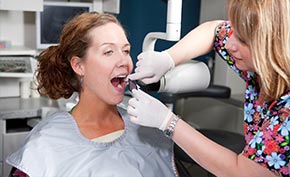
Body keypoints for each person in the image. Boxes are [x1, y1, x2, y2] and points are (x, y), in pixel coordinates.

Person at [127, 0, 290, 176]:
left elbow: (244, 172)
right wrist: (168, 58)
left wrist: (168, 122)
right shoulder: (264, 65)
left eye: (242, 39)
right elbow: (214, 31)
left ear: (272, 45)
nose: (229, 44)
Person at [6, 12, 178, 177]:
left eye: (125, 51)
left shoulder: (149, 129)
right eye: (108, 52)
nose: (124, 62)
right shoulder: (45, 144)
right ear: (79, 66)